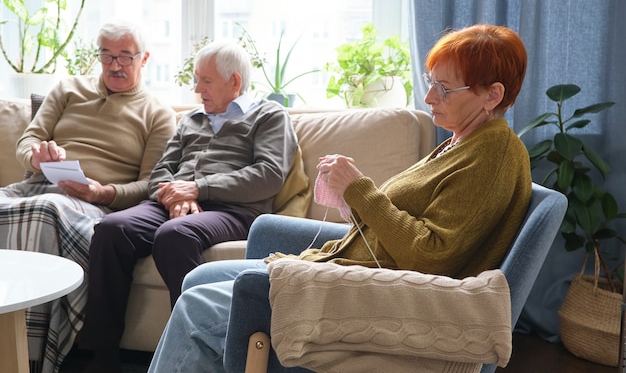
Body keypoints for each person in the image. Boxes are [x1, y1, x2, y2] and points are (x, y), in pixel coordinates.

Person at [145, 23, 534, 373]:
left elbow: (431, 255)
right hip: (351, 272)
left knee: (196, 309)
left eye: (445, 88)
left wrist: (359, 189)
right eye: (429, 81)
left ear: (492, 94)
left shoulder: (493, 154)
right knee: (197, 280)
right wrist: (356, 202)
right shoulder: (460, 143)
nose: (430, 96)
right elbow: (406, 226)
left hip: (373, 296)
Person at [79, 39, 301, 373]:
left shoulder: (268, 115)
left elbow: (268, 175)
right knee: (112, 229)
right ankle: (103, 356)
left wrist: (197, 188)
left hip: (233, 209)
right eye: (196, 80)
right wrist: (173, 193)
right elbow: (160, 172)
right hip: (172, 203)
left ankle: (196, 355)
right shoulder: (190, 120)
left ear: (235, 82)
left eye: (205, 81)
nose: (197, 89)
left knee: (175, 236)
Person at [0, 20, 176, 373]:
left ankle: (30, 358)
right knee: (38, 204)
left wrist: (104, 191)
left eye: (125, 57)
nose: (114, 66)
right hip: (37, 188)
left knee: (46, 211)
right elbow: (28, 140)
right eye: (107, 56)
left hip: (94, 206)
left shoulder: (158, 114)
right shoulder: (67, 89)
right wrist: (37, 156)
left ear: (145, 60)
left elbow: (150, 186)